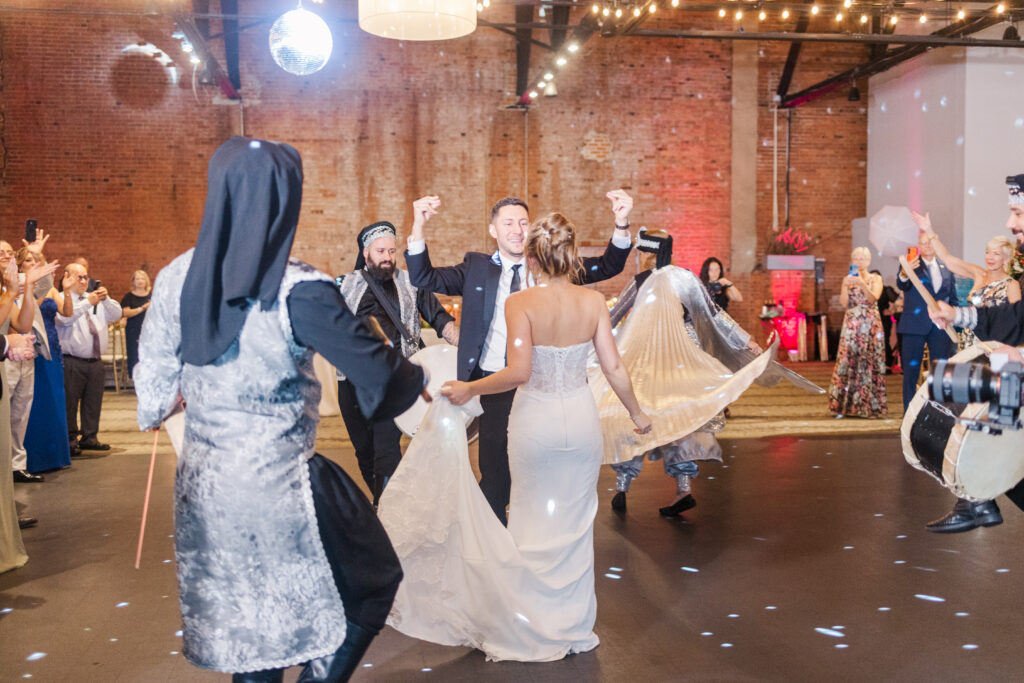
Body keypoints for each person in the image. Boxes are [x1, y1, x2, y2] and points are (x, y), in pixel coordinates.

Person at [134, 137, 427, 682]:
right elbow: (384, 378)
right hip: (279, 482)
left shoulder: (176, 277)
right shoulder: (300, 288)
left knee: (255, 640)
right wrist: (420, 376)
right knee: (372, 583)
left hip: (205, 488)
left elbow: (152, 397)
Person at [379, 211, 651, 662]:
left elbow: (519, 372)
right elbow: (614, 367)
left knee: (531, 516)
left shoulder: (520, 304)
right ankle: (572, 625)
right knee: (576, 522)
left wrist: (470, 388)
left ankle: (531, 622)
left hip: (536, 424)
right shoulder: (593, 303)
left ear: (534, 259)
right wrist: (637, 413)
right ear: (570, 255)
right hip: (581, 421)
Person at [405, 191, 634, 524]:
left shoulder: (553, 267)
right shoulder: (476, 267)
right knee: (495, 469)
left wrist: (622, 222)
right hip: (494, 381)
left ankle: (538, 528)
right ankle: (495, 538)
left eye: (523, 222)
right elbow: (423, 278)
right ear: (493, 230)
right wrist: (418, 226)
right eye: (508, 223)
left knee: (539, 468)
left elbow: (608, 265)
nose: (517, 230)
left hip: (539, 386)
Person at [608, 230, 767, 516]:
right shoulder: (684, 278)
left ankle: (622, 486)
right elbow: (715, 313)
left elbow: (615, 314)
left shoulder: (641, 281)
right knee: (679, 417)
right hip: (682, 357)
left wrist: (585, 330)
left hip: (648, 355)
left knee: (638, 414)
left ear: (647, 253)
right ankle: (683, 488)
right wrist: (746, 340)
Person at [917, 173, 1024, 533]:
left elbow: (1014, 322)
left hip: (1004, 359)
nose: (1010, 223)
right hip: (985, 351)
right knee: (947, 387)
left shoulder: (1012, 284)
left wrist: (1017, 354)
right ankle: (976, 500)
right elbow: (1014, 319)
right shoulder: (983, 275)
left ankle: (977, 500)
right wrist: (956, 314)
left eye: (1018, 214)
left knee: (979, 409)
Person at [336, 220, 458, 505]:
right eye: (380, 251)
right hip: (352, 382)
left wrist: (465, 347)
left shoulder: (412, 283)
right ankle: (387, 502)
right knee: (363, 451)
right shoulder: (344, 284)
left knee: (385, 450)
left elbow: (439, 318)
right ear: (366, 252)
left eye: (391, 251)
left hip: (395, 379)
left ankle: (387, 512)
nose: (387, 257)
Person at [56, 262, 121, 452]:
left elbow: (116, 314)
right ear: (67, 277)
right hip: (72, 360)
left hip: (95, 360)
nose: (84, 281)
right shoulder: (60, 297)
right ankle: (70, 440)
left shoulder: (94, 298)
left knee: (93, 401)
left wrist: (106, 299)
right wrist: (87, 303)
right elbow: (64, 319)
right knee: (70, 402)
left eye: (86, 277)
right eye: (80, 277)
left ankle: (90, 437)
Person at [9, 242, 59, 481]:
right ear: (18, 265)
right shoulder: (10, 283)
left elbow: (47, 284)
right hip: (7, 353)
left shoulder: (29, 283)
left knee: (21, 410)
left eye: (9, 252)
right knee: (5, 411)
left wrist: (39, 256)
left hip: (28, 352)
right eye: (27, 260)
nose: (6, 255)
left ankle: (17, 465)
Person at [23, 244, 72, 469]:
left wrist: (67, 291)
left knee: (54, 402)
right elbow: (30, 309)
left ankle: (55, 456)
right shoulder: (23, 288)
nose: (34, 264)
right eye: (29, 260)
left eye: (37, 261)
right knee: (33, 403)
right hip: (33, 349)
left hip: (52, 350)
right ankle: (34, 459)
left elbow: (67, 312)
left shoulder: (51, 289)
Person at [896, 233, 959, 412]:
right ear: (918, 246)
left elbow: (952, 297)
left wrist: (955, 321)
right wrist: (905, 272)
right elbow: (902, 285)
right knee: (911, 373)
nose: (928, 246)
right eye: (923, 243)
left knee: (940, 373)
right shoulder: (910, 265)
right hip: (914, 326)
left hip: (940, 327)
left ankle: (938, 413)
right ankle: (909, 415)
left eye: (930, 242)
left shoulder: (946, 267)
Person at [828, 247, 886, 418]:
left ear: (869, 261)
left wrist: (862, 284)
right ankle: (845, 405)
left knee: (868, 362)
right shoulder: (847, 279)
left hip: (870, 325)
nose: (859, 262)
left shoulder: (876, 278)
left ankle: (867, 405)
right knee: (848, 361)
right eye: (856, 259)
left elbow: (873, 298)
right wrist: (846, 286)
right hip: (852, 326)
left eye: (862, 259)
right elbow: (843, 302)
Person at [120, 269, 151, 380]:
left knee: (148, 356)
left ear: (146, 281)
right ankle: (135, 380)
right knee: (134, 355)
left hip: (149, 332)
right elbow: (125, 313)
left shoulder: (152, 296)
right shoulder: (129, 297)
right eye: (137, 279)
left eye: (142, 278)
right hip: (133, 331)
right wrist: (142, 308)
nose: (140, 281)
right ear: (133, 281)